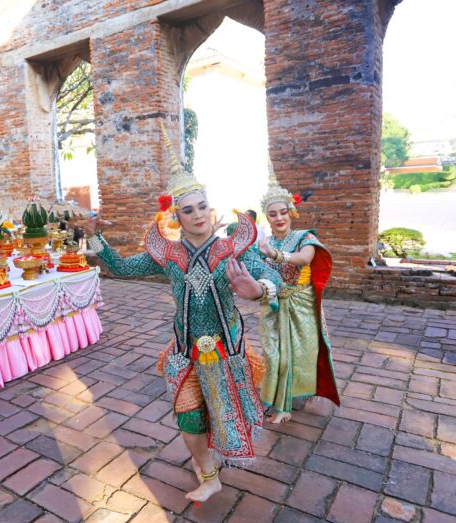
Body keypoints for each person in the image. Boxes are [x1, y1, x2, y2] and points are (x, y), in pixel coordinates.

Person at [82, 133, 283, 502]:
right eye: (188, 210)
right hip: (185, 350)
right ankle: (209, 475)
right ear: (177, 216)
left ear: (211, 209)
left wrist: (257, 290)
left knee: (222, 414)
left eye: (202, 206)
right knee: (189, 417)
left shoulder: (232, 249)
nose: (198, 215)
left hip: (226, 350)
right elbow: (122, 268)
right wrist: (96, 240)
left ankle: (211, 456)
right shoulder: (168, 254)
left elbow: (273, 277)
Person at [255, 164, 340, 424]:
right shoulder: (264, 243)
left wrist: (274, 255)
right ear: (267, 217)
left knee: (299, 355)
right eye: (273, 214)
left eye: (283, 212)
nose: (279, 218)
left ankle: (286, 405)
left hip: (301, 305)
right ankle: (278, 399)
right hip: (274, 305)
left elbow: (304, 259)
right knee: (274, 355)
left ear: (291, 212)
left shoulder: (305, 237)